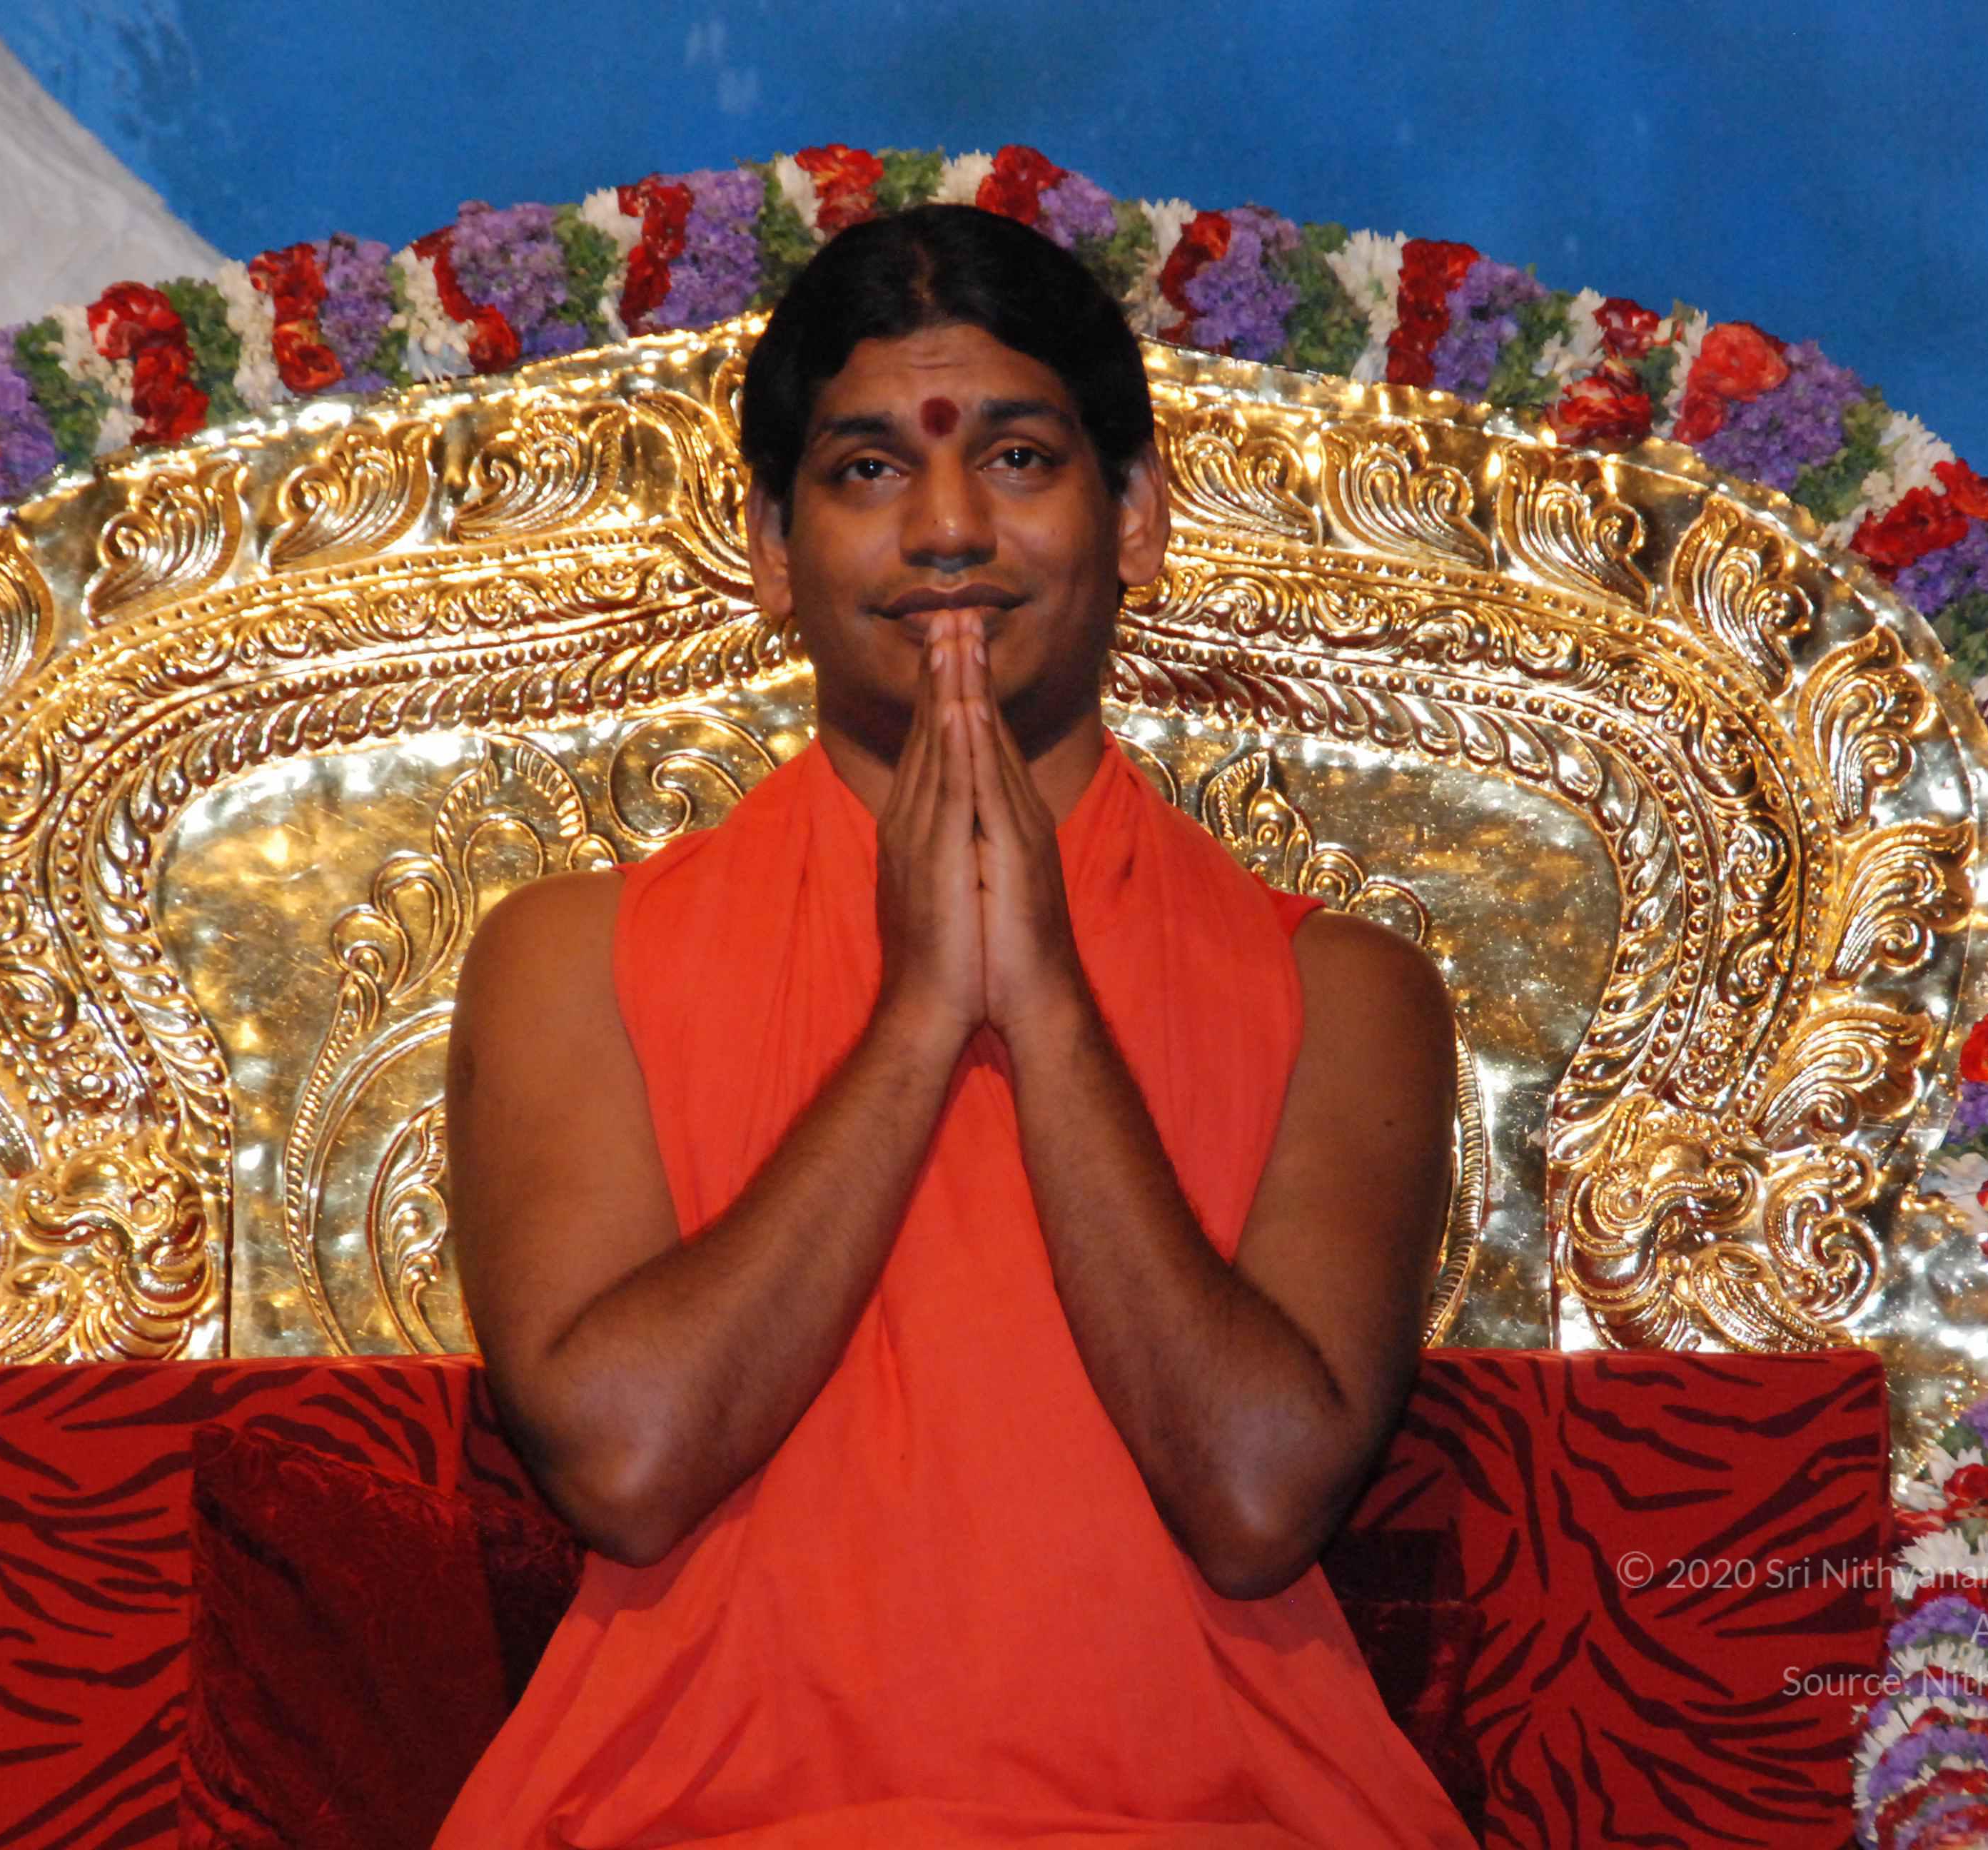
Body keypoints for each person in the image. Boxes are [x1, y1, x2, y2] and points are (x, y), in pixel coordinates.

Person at [434, 203, 1478, 1849]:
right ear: (770, 550)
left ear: (1134, 517)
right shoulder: (570, 960)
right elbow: (625, 1467)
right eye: (866, 470)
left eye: (1016, 459)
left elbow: (1257, 1499)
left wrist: (1044, 1004)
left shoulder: (1344, 993)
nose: (944, 530)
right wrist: (920, 1015)